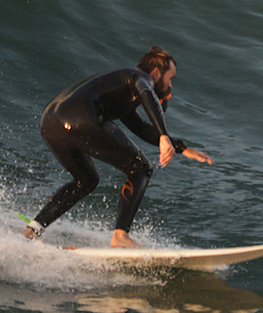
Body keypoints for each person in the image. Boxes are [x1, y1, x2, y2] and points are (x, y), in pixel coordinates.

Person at [23, 46, 212, 247]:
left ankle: (31, 231)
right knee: (141, 168)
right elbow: (146, 92)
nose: (170, 85)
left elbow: (141, 128)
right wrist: (164, 135)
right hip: (81, 116)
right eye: (170, 78)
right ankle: (120, 236)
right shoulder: (140, 78)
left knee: (86, 181)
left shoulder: (120, 89)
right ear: (156, 73)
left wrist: (181, 147)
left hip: (51, 123)